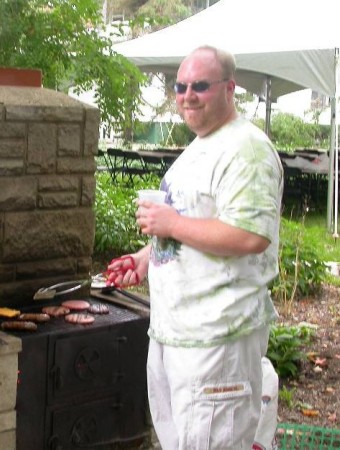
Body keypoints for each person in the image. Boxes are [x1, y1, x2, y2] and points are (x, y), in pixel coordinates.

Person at [107, 45, 283, 449]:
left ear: (229, 89)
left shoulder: (247, 150)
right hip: (177, 334)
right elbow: (193, 221)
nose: (187, 95)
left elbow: (249, 236)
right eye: (180, 86)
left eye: (200, 86)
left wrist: (172, 223)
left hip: (217, 340)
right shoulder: (202, 145)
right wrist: (148, 257)